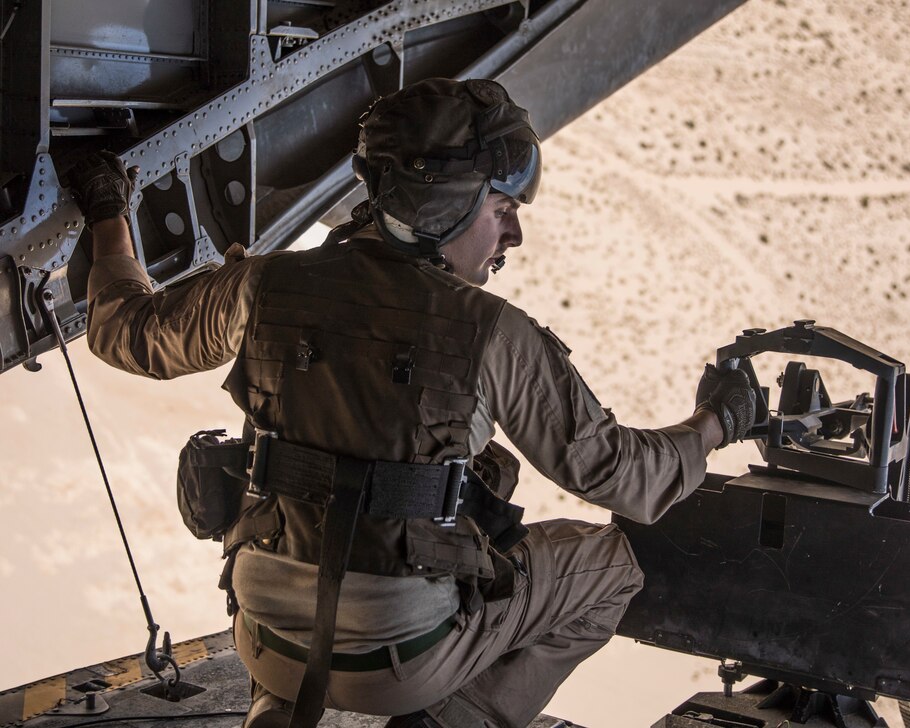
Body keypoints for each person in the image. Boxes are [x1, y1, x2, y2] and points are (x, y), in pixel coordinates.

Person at [70, 78, 756, 728]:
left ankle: (273, 713)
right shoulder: (491, 333)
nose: (512, 236)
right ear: (445, 204)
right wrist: (718, 421)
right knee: (611, 567)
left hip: (262, 642)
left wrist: (108, 212)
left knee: (457, 479)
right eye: (501, 210)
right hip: (402, 669)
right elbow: (630, 480)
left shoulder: (264, 287)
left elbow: (126, 332)